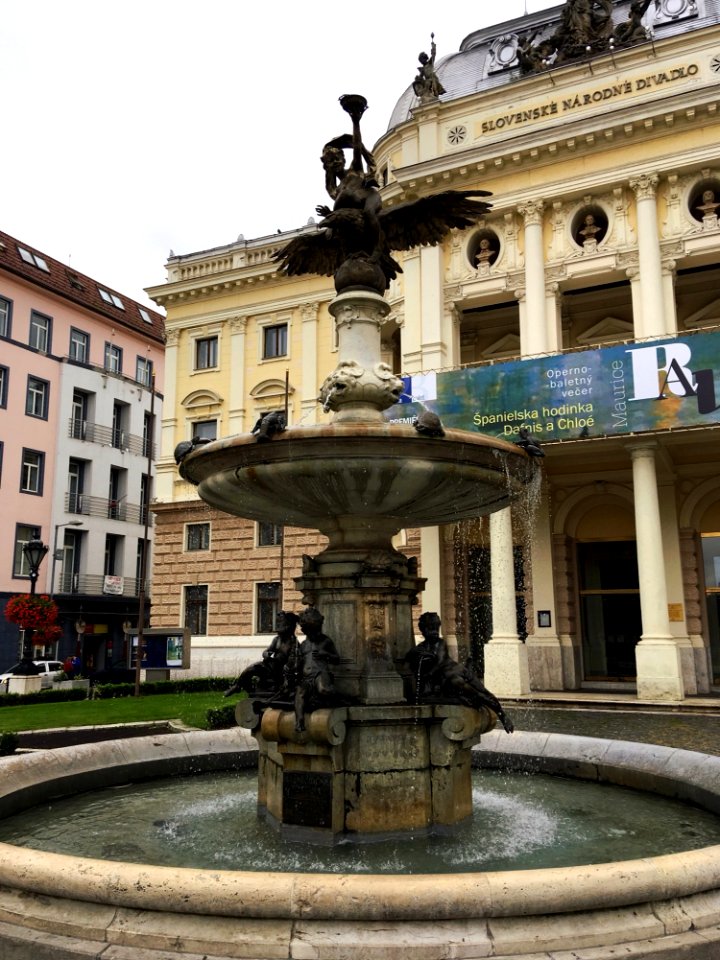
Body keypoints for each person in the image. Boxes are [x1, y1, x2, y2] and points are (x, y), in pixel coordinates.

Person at [404, 612, 514, 733]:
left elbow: (440, 662)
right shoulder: (422, 647)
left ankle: (502, 715)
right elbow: (409, 656)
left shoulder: (440, 643)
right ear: (423, 630)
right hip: (449, 679)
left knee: (483, 692)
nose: (434, 631)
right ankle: (470, 700)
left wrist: (428, 674)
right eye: (430, 628)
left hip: (460, 672)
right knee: (473, 692)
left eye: (436, 628)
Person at [225, 611, 299, 699]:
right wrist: (266, 654)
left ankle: (266, 690)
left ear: (288, 627)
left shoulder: (294, 643)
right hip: (270, 666)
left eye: (281, 624)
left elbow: (293, 663)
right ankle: (239, 686)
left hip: (280, 671)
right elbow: (266, 651)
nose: (278, 627)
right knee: (251, 669)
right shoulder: (277, 640)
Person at [293, 607, 341, 732]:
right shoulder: (304, 645)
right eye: (308, 631)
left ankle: (338, 697)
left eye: (313, 630)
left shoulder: (325, 641)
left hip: (320, 673)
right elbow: (298, 664)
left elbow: (336, 659)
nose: (311, 634)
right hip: (306, 677)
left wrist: (325, 654)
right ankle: (299, 721)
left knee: (323, 689)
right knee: (300, 693)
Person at [412, 34, 445, 102]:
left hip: (433, 78)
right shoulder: (423, 69)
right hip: (428, 80)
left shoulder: (430, 63)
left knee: (432, 84)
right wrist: (418, 79)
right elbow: (421, 77)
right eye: (421, 61)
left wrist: (433, 47)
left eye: (423, 59)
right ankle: (430, 95)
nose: (422, 61)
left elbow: (433, 54)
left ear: (425, 59)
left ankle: (434, 94)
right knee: (427, 83)